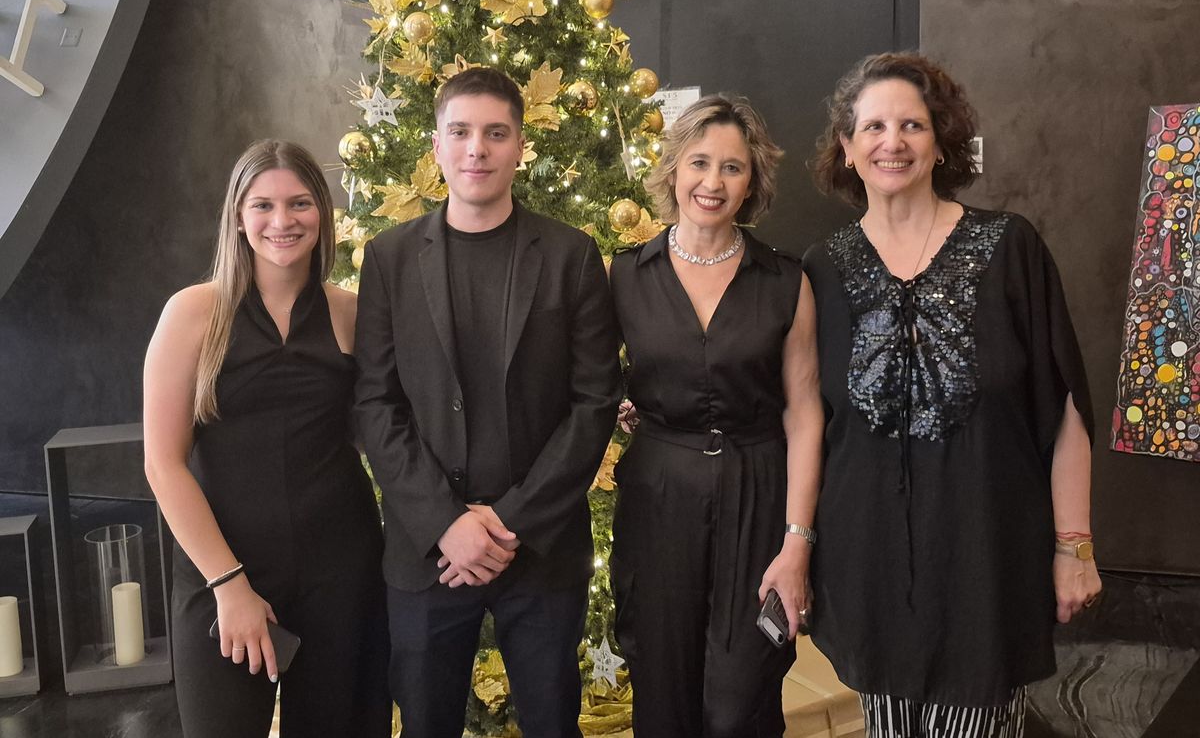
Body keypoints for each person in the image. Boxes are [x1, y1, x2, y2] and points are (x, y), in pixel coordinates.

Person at [805, 52, 1103, 737]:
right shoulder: (822, 267)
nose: (893, 141)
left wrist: (1074, 545)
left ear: (941, 141)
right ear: (847, 149)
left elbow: (1065, 410)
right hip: (868, 564)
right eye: (873, 126)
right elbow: (806, 418)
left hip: (986, 560)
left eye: (912, 124)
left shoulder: (1010, 248)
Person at [354, 67, 622, 738]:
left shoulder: (572, 255)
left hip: (540, 545)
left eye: (495, 133)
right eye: (462, 132)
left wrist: (507, 520)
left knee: (554, 722)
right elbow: (375, 404)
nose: (478, 148)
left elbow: (593, 405)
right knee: (425, 723)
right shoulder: (387, 258)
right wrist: (446, 521)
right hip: (427, 547)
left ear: (519, 145)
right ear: (437, 146)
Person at [143, 140, 391, 738]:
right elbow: (163, 464)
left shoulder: (352, 313)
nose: (283, 221)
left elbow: (381, 433)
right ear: (238, 215)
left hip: (341, 569)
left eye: (300, 203)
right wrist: (230, 586)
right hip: (221, 572)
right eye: (263, 205)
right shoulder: (193, 313)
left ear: (323, 215)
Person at [608, 95, 824, 737]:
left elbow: (806, 413)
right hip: (657, 495)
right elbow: (586, 384)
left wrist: (797, 542)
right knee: (662, 690)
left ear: (752, 180)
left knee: (739, 701)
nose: (712, 182)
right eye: (699, 163)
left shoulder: (786, 281)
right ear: (673, 170)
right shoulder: (622, 275)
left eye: (732, 167)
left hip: (758, 491)